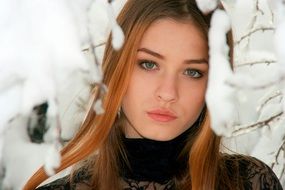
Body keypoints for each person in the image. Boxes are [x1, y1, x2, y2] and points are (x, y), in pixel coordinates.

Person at [24, 0, 283, 189]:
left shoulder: (251, 182)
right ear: (117, 69)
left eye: (192, 72)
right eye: (149, 64)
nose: (168, 93)